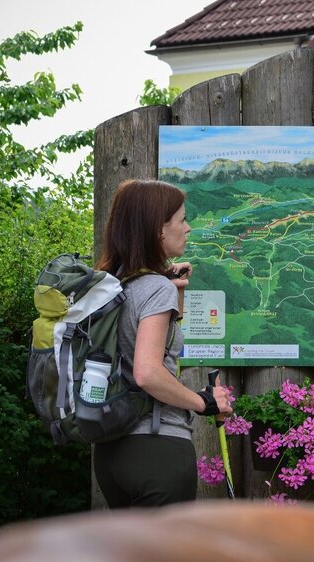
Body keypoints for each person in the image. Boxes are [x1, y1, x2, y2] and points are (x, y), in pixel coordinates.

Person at [93, 178, 232, 508]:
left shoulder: (114, 285)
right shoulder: (156, 288)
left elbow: (140, 344)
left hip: (111, 454)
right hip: (157, 449)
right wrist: (204, 402)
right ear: (158, 229)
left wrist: (175, 291)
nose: (188, 228)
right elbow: (147, 373)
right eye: (182, 219)